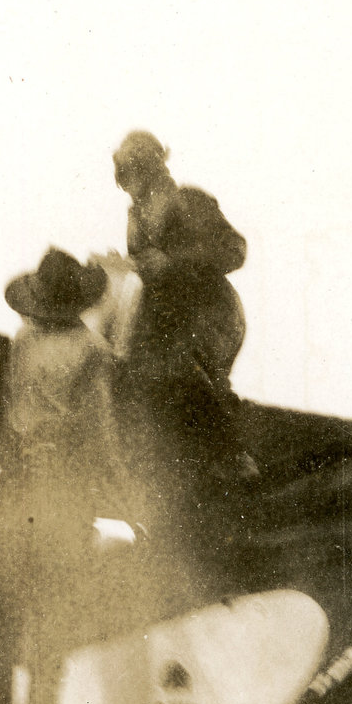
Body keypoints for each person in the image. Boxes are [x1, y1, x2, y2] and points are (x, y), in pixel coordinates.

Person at [0, 248, 127, 704]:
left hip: (12, 499)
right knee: (48, 649)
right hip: (64, 506)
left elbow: (11, 421)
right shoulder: (93, 354)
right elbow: (102, 438)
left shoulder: (22, 343)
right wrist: (125, 494)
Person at [111, 130, 256, 483]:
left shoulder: (189, 202)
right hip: (161, 316)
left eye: (132, 173)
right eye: (123, 177)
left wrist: (172, 261)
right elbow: (147, 268)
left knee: (186, 371)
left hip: (208, 314)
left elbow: (234, 250)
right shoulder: (137, 215)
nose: (127, 184)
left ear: (150, 169)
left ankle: (235, 456)